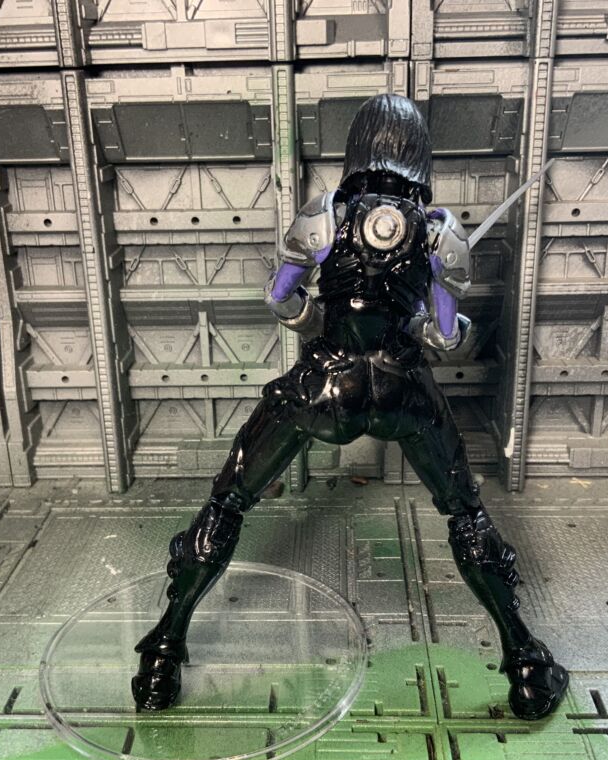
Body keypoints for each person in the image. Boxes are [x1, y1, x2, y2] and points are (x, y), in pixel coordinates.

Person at [131, 93, 569, 720]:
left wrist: (319, 321)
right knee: (465, 514)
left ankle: (161, 655)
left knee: (228, 501)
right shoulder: (438, 230)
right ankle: (525, 664)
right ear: (418, 154)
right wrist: (424, 322)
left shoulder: (326, 213)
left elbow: (280, 299)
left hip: (324, 384)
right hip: (400, 391)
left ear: (358, 148)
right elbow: (447, 340)